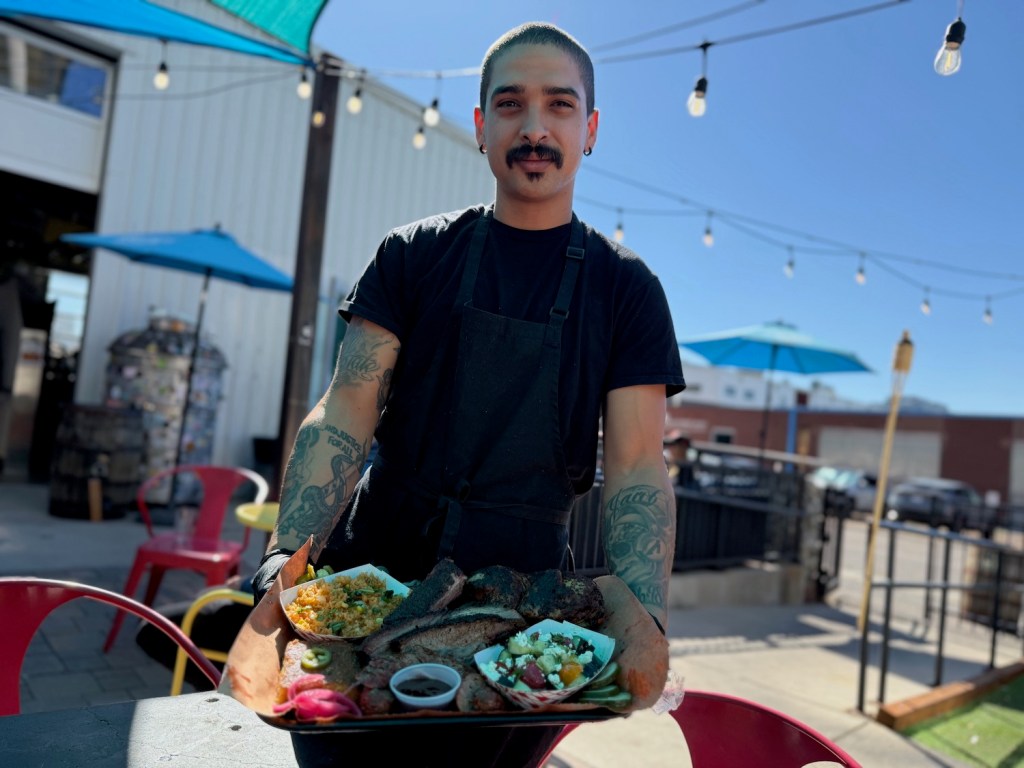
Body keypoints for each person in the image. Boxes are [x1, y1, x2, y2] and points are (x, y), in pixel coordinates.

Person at [254, 21, 685, 767]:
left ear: (590, 129)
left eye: (558, 106)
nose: (534, 127)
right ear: (482, 128)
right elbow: (348, 409)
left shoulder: (628, 291)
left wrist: (644, 610)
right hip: (372, 582)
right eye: (511, 105)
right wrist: (288, 555)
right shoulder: (412, 254)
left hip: (521, 612)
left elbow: (640, 462)